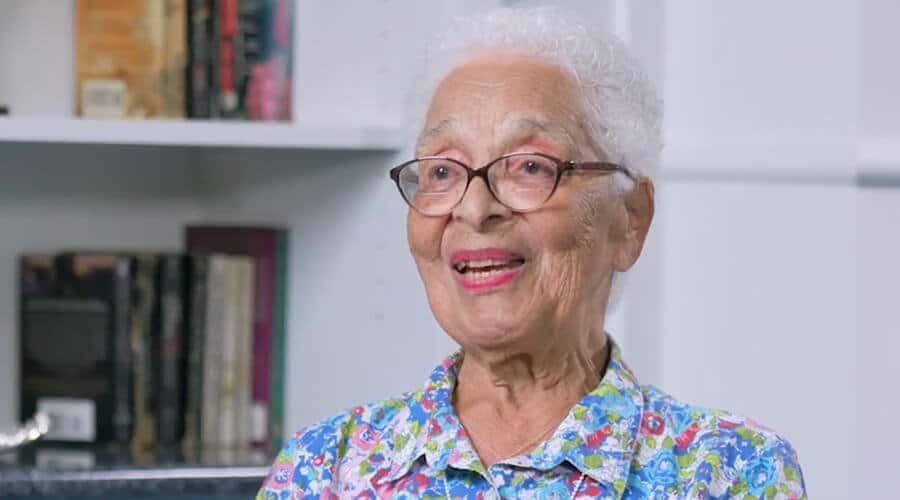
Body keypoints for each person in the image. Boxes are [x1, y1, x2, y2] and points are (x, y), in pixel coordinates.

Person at [258, 6, 805, 499]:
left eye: (529, 166)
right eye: (442, 171)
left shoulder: (728, 471)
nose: (474, 210)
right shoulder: (324, 467)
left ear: (629, 219)